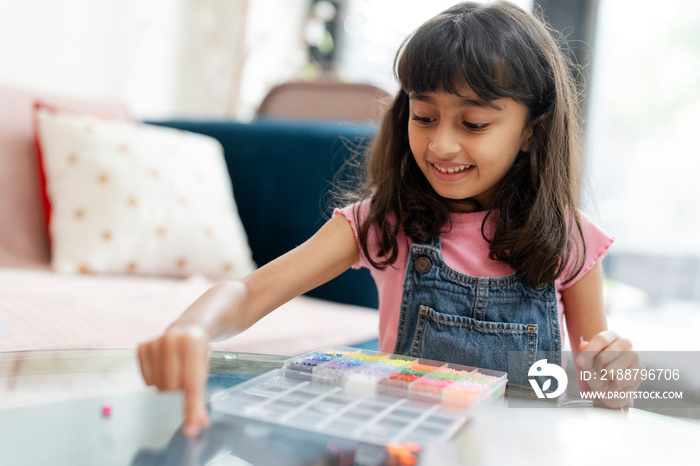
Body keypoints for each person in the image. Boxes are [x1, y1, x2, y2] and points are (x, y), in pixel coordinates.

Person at [138, 1, 641, 437]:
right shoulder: (383, 223)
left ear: (534, 130)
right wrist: (194, 326)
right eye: (424, 117)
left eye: (474, 123)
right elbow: (249, 293)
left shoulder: (568, 241)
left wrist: (615, 377)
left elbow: (600, 391)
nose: (441, 144)